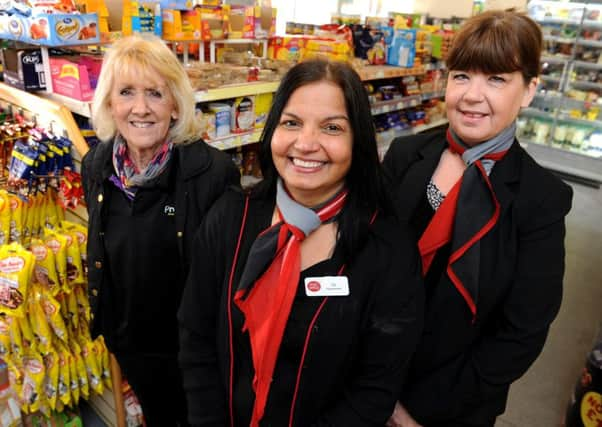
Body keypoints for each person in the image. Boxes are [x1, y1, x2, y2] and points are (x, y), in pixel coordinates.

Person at [178, 58, 424, 426]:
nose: (306, 143)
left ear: (358, 140)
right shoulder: (230, 216)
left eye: (332, 127)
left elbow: (374, 387)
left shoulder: (387, 249)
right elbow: (196, 338)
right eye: (291, 123)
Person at [383, 9, 573, 427]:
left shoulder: (540, 200)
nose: (471, 95)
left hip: (449, 407)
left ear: (528, 91)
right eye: (462, 75)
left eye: (497, 79)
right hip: (367, 379)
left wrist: (417, 412)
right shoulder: (404, 155)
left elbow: (521, 332)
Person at [81, 34, 240, 426]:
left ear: (175, 105)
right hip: (130, 343)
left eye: (154, 93)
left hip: (191, 353)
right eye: (126, 93)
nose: (140, 108)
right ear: (109, 103)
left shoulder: (212, 174)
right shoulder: (96, 165)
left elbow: (225, 280)